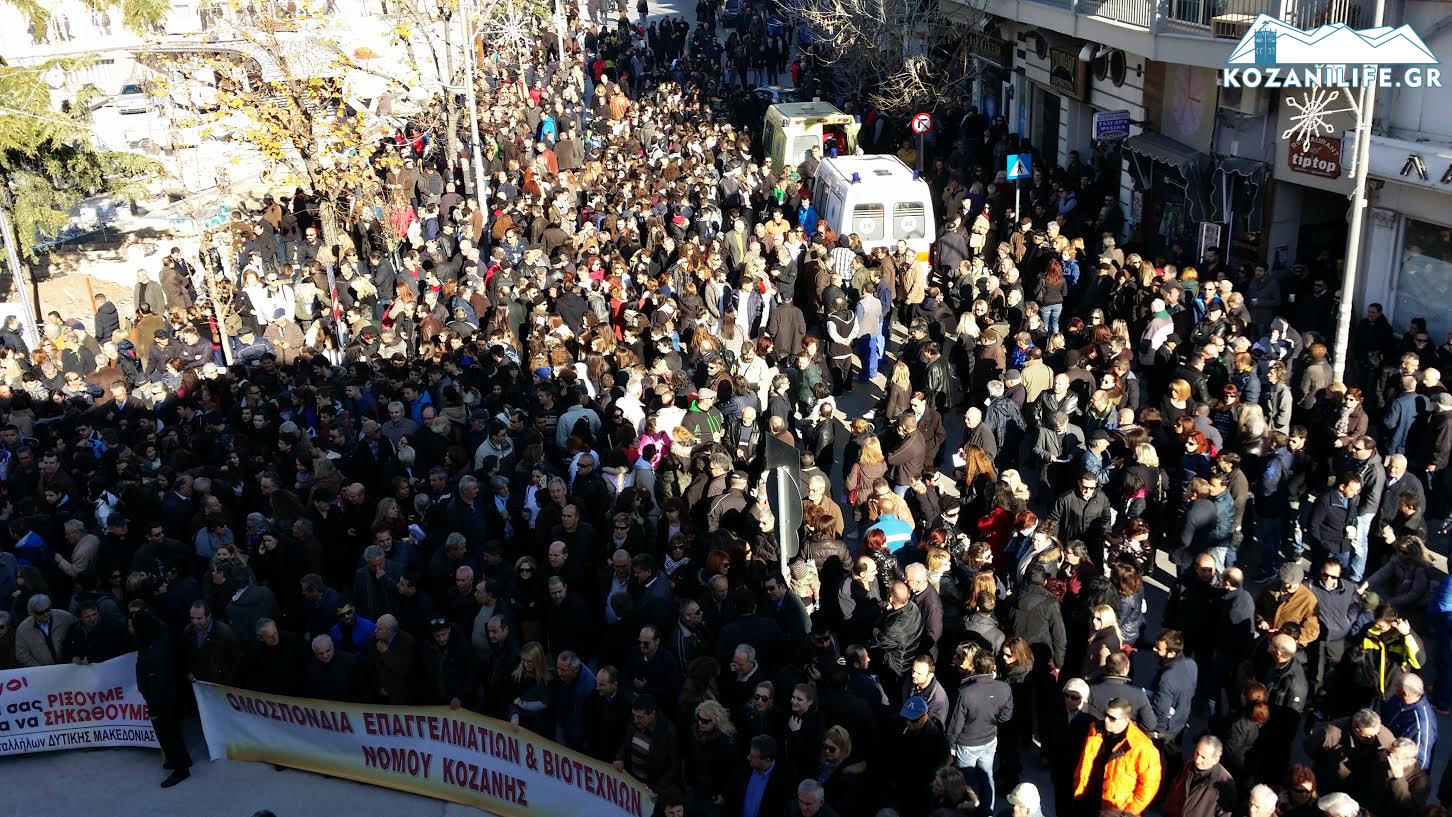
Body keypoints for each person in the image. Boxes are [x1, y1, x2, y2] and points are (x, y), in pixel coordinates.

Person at [1072, 697, 1162, 815]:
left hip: (1114, 808)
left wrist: (1127, 813)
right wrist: (1077, 785)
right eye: (1106, 715)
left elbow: (1148, 787)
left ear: (1126, 719)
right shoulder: (1096, 729)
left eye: (1112, 718)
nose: (1106, 720)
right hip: (1087, 798)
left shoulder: (1142, 747)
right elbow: (1084, 760)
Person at [1161, 735, 1236, 817]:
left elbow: (1225, 814)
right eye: (1197, 753)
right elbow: (1174, 790)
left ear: (1215, 760)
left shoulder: (1224, 783)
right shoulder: (1189, 765)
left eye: (1203, 757)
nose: (1197, 760)